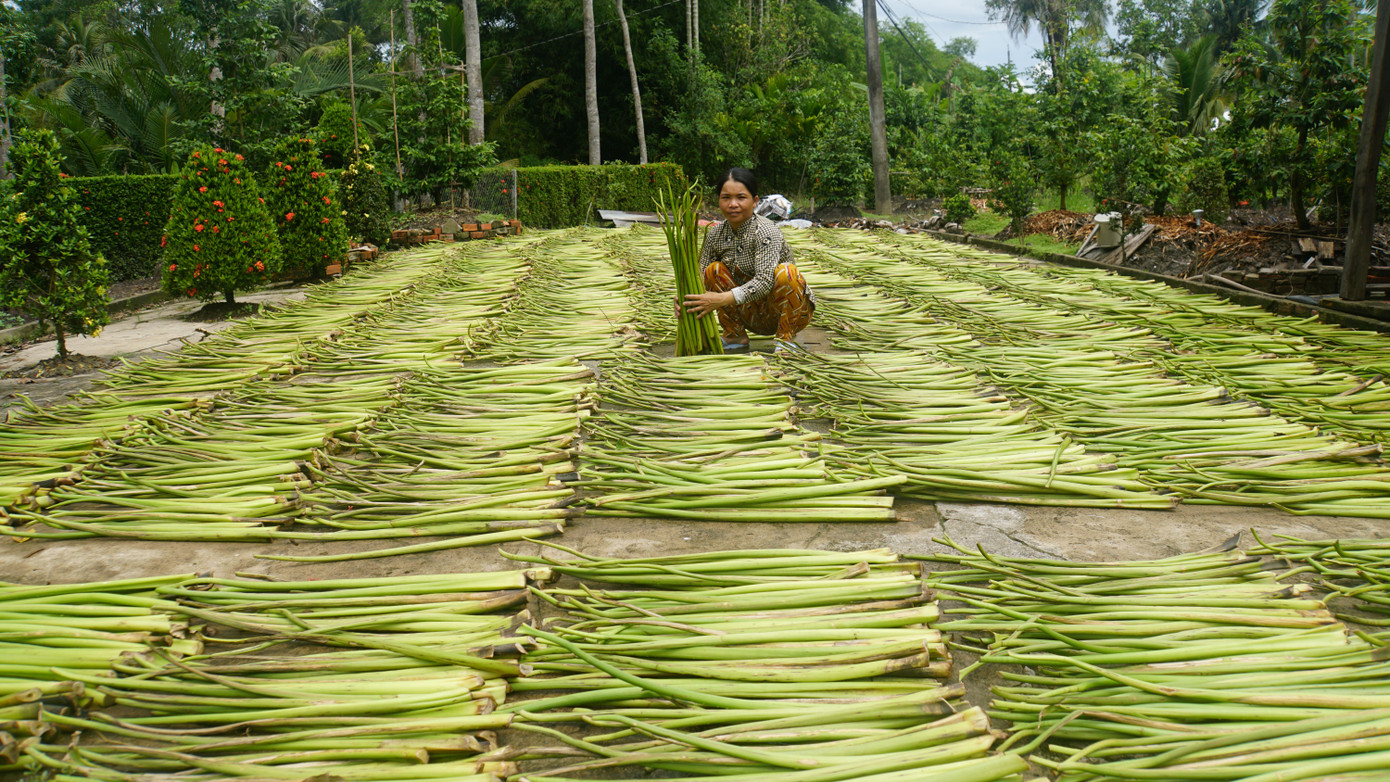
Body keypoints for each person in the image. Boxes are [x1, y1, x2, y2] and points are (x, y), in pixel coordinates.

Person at [680, 168, 814, 352]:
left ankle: (786, 340)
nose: (733, 204)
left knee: (787, 273)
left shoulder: (767, 231)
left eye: (741, 197)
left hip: (786, 312)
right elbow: (700, 277)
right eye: (726, 197)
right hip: (749, 313)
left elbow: (765, 281)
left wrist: (721, 298)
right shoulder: (715, 235)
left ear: (755, 201)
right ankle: (734, 335)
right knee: (713, 270)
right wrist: (683, 299)